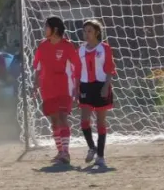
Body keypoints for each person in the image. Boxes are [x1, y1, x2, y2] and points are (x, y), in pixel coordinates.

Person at [32, 16, 81, 164]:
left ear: (55, 30)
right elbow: (38, 67)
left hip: (64, 87)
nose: (44, 29)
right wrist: (35, 86)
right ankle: (60, 151)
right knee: (54, 121)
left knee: (62, 116)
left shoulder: (68, 46)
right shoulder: (42, 46)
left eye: (46, 27)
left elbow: (76, 67)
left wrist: (77, 88)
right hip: (47, 88)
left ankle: (66, 152)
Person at [77, 19, 115, 167]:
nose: (86, 34)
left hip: (101, 85)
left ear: (97, 32)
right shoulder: (80, 50)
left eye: (89, 31)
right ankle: (91, 147)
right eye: (84, 31)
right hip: (85, 86)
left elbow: (110, 68)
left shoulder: (104, 48)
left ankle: (100, 155)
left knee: (100, 121)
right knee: (84, 121)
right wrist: (76, 88)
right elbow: (77, 71)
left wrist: (106, 85)